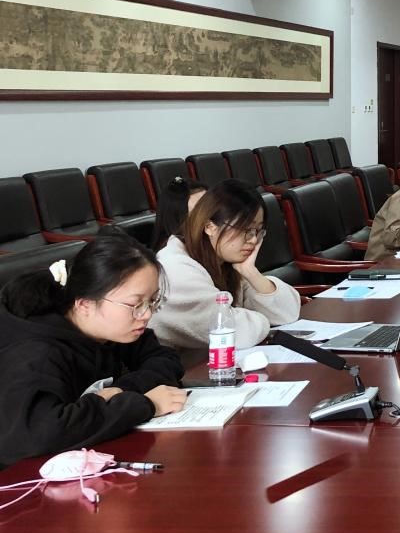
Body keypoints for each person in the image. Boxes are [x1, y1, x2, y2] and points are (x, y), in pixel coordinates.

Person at [0, 228, 187, 468]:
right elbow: (39, 434)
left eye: (152, 301)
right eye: (135, 304)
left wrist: (120, 392)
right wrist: (145, 404)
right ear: (85, 304)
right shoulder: (37, 355)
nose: (147, 314)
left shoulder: (112, 329)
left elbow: (165, 360)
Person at [152, 179, 302, 367]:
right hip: (178, 376)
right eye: (246, 230)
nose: (253, 240)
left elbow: (287, 313)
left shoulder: (223, 260)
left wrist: (251, 272)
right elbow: (237, 332)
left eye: (258, 231)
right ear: (210, 226)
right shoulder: (175, 268)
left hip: (215, 369)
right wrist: (261, 318)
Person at [150, 175, 206, 250]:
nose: (210, 213)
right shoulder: (172, 253)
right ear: (177, 218)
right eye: (199, 211)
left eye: (210, 205)